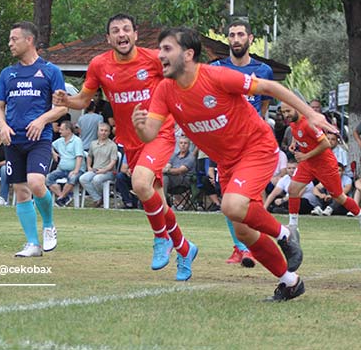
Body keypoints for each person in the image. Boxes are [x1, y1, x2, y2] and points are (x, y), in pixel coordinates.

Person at [132, 26, 338, 300]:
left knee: (232, 205)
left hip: (257, 147)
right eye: (160, 49)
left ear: (189, 54)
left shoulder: (215, 76)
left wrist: (311, 115)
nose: (160, 55)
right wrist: (139, 126)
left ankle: (285, 234)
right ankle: (290, 282)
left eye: (167, 49)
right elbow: (150, 134)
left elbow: (270, 86)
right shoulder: (165, 90)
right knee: (242, 229)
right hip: (228, 162)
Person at [53, 14, 195, 281]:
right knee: (158, 203)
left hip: (159, 134)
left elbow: (185, 77)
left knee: (140, 184)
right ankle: (185, 249)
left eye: (126, 29)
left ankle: (160, 239)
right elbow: (84, 99)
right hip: (130, 141)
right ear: (108, 38)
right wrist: (66, 100)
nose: (121, 34)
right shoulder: (99, 64)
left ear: (135, 34)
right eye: (115, 31)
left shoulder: (154, 59)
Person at [0, 21, 66, 257]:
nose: (10, 43)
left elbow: (62, 108)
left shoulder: (50, 71)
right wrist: (2, 125)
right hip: (13, 140)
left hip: (40, 138)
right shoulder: (7, 73)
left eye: (14, 39)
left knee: (36, 183)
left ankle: (48, 225)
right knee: (21, 191)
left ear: (29, 40)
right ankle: (32, 244)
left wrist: (41, 120)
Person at [211, 20, 275, 267]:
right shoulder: (217, 68)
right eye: (231, 35)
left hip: (252, 143)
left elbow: (263, 110)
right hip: (224, 143)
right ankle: (240, 247)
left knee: (253, 198)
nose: (235, 39)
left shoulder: (263, 70)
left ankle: (256, 246)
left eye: (240, 35)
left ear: (250, 38)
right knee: (229, 199)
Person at [281, 101, 361, 225]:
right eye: (283, 112)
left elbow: (326, 144)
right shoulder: (293, 122)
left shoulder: (309, 124)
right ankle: (293, 225)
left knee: (339, 197)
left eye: (288, 111)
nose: (286, 115)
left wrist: (305, 155)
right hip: (307, 164)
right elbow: (296, 133)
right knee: (293, 190)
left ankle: (359, 214)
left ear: (296, 108)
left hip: (325, 165)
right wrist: (294, 143)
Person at [46, 120, 84, 207]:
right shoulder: (60, 141)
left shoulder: (77, 141)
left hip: (75, 169)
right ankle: (64, 197)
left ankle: (61, 198)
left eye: (62, 129)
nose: (59, 131)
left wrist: (76, 170)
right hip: (61, 169)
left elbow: (79, 157)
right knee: (48, 178)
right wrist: (53, 153)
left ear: (68, 130)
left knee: (72, 178)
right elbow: (48, 144)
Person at [79, 122, 117, 207]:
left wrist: (104, 170)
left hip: (108, 172)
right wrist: (89, 166)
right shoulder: (93, 143)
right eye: (101, 130)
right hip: (95, 170)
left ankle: (102, 197)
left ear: (109, 132)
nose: (103, 133)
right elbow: (89, 156)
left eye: (106, 131)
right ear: (98, 132)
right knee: (83, 178)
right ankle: (98, 198)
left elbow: (113, 162)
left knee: (96, 179)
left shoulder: (112, 145)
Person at [162, 136, 195, 209]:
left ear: (189, 145)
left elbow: (180, 171)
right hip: (171, 179)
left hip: (183, 180)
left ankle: (162, 202)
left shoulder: (190, 157)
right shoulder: (174, 155)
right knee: (162, 177)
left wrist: (166, 170)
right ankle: (161, 200)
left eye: (185, 143)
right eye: (181, 143)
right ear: (178, 145)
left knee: (164, 177)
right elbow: (168, 165)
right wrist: (165, 169)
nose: (183, 145)